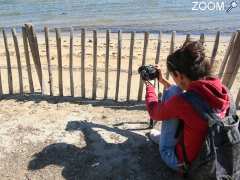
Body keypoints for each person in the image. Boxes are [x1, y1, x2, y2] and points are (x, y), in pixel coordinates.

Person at [144, 40, 230, 173]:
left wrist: (149, 87)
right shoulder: (222, 91)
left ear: (179, 74)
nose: (174, 79)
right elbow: (189, 98)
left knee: (173, 93)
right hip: (213, 157)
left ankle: (164, 142)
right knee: (175, 92)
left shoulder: (184, 103)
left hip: (184, 164)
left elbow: (154, 112)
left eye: (173, 76)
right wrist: (164, 82)